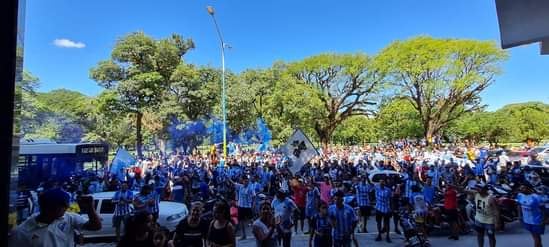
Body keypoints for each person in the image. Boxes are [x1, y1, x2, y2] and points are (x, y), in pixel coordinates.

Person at [9, 188, 101, 247]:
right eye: (63, 205)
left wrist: (90, 208)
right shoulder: (21, 232)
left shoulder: (68, 218)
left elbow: (96, 226)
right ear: (49, 207)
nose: (67, 207)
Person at [471, 183, 500, 247]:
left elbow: (496, 211)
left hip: (489, 222)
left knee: (491, 237)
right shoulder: (476, 194)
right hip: (478, 220)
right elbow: (463, 190)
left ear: (484, 189)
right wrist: (455, 185)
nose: (477, 189)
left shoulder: (491, 199)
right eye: (477, 188)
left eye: (479, 188)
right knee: (479, 235)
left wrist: (497, 223)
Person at [232, 176, 255, 240]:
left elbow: (254, 196)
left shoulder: (250, 189)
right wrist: (227, 178)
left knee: (251, 220)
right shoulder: (240, 186)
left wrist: (253, 205)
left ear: (248, 182)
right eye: (244, 181)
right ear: (243, 182)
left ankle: (256, 233)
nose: (246, 182)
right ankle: (244, 235)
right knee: (241, 221)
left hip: (247, 206)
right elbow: (233, 183)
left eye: (247, 181)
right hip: (241, 206)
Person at [374, 178, 392, 242]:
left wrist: (391, 208)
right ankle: (379, 235)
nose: (381, 183)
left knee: (387, 223)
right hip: (378, 208)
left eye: (382, 182)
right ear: (379, 183)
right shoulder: (376, 188)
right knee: (378, 223)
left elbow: (390, 198)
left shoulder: (388, 190)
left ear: (384, 183)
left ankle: (387, 236)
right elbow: (370, 183)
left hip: (386, 209)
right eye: (380, 182)